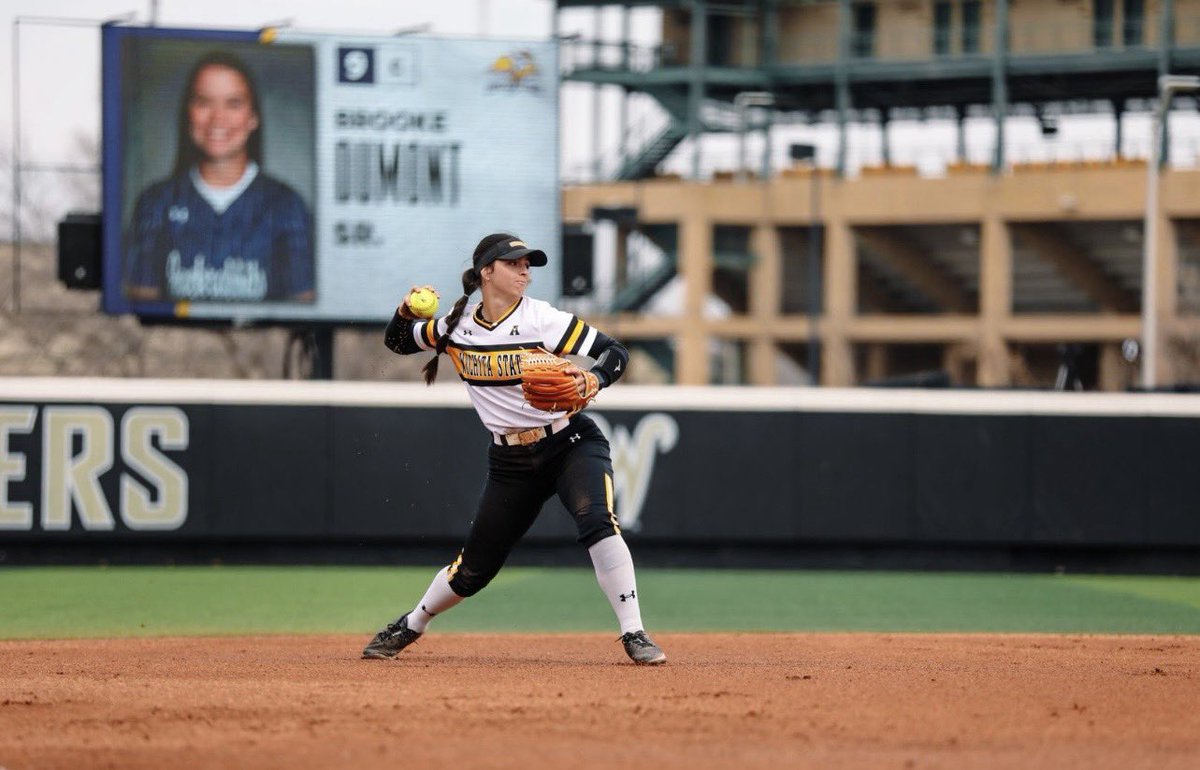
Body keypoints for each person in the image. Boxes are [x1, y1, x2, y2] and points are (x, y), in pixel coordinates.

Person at [363, 233, 667, 665]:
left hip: (569, 442)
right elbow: (397, 340)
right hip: (510, 462)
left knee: (597, 520)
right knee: (472, 571)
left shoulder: (541, 318)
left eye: (529, 264)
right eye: (514, 264)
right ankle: (411, 624)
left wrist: (594, 379)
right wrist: (405, 310)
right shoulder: (456, 326)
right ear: (487, 271)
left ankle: (634, 632)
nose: (525, 270)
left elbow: (614, 352)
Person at [123, 50, 314, 304]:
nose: (217, 118)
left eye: (233, 103)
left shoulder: (287, 206)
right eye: (203, 102)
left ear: (253, 118)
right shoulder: (155, 203)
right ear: (187, 113)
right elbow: (141, 308)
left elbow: (304, 307)